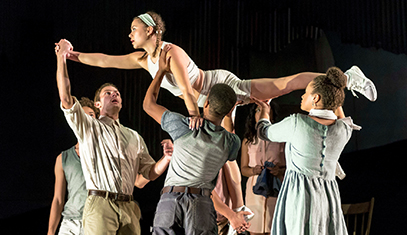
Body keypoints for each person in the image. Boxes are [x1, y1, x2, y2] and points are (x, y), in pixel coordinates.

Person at [60, 11, 377, 123]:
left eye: (134, 29)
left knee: (285, 85)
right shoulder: (143, 59)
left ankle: (347, 77)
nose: (129, 34)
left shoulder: (171, 53)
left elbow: (187, 90)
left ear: (152, 31)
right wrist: (71, 56)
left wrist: (195, 118)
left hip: (220, 88)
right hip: (211, 101)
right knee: (226, 151)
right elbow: (103, 60)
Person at [55, 39, 172, 235]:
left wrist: (166, 158)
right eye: (107, 93)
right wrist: (62, 59)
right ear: (97, 104)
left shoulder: (133, 136)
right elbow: (66, 98)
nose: (114, 94)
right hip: (100, 204)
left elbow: (147, 176)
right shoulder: (89, 126)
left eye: (117, 93)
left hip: (128, 205)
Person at [143, 47, 251, 234]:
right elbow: (228, 130)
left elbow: (149, 105)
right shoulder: (231, 142)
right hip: (200, 204)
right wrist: (230, 110)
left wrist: (160, 71)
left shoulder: (184, 126)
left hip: (170, 200)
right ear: (228, 112)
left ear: (206, 103)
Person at [254, 67, 358, 234]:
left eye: (306, 92)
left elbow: (264, 132)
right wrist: (338, 84)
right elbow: (341, 117)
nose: (302, 96)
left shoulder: (297, 123)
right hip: (327, 198)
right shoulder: (344, 130)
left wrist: (264, 112)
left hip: (300, 195)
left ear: (315, 98)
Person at [47, 97, 98, 235]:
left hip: (95, 223)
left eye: (91, 115)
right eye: (83, 115)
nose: (87, 119)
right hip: (69, 223)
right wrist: (51, 232)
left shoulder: (104, 154)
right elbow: (58, 199)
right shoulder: (63, 158)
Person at [240, 103, 286, 235]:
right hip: (255, 191)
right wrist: (254, 171)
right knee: (254, 229)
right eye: (257, 110)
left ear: (272, 114)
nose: (260, 113)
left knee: (274, 228)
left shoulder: (282, 139)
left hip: (276, 188)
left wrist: (280, 171)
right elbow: (243, 169)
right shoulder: (248, 141)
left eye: (265, 110)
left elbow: (291, 167)